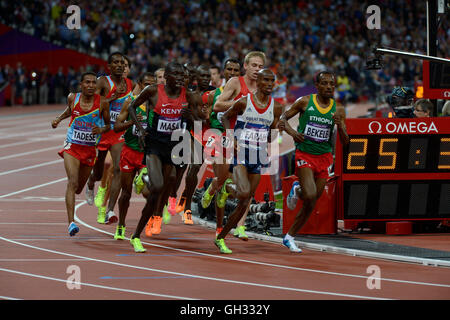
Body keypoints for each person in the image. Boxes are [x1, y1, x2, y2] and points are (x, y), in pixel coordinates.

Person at [127, 61, 202, 253]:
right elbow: (132, 107)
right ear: (166, 76)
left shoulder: (190, 96)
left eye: (181, 75)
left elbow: (200, 122)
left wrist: (190, 116)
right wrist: (142, 130)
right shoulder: (153, 91)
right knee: (158, 187)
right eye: (175, 75)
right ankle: (135, 236)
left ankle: (148, 186)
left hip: (174, 146)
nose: (179, 78)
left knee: (167, 183)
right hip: (154, 145)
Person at [214, 68, 282, 253]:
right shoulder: (245, 102)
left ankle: (221, 238)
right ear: (258, 82)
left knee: (245, 202)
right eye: (265, 80)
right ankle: (226, 188)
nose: (269, 84)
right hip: (241, 154)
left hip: (258, 156)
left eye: (272, 81)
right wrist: (232, 138)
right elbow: (224, 117)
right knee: (244, 193)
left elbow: (272, 133)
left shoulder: (276, 107)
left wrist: (275, 133)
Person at [279, 71, 349, 253]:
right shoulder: (304, 101)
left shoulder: (338, 109)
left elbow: (345, 141)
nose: (328, 87)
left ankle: (289, 237)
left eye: (331, 84)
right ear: (316, 85)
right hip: (305, 154)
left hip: (324, 157)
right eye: (324, 83)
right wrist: (293, 133)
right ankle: (299, 189)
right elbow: (282, 118)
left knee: (313, 200)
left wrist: (340, 125)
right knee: (310, 195)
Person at [210, 51, 266, 240]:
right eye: (254, 66)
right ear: (246, 66)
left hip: (253, 141)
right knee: (225, 178)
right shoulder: (235, 82)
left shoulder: (263, 85)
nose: (257, 70)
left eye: (260, 66)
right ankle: (214, 190)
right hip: (232, 136)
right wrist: (240, 104)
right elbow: (217, 105)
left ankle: (240, 226)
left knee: (250, 187)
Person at [51, 72, 110, 236]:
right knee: (72, 182)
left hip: (89, 149)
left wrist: (101, 129)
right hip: (72, 147)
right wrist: (58, 119)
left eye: (93, 83)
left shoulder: (102, 103)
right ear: (81, 85)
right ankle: (71, 223)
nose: (91, 85)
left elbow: (109, 125)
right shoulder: (73, 98)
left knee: (78, 189)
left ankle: (87, 185)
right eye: (87, 82)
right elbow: (69, 111)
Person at [85, 52, 133, 224]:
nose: (119, 65)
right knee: (98, 173)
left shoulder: (130, 83)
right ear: (109, 66)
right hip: (103, 130)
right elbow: (91, 102)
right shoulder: (103, 82)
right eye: (116, 63)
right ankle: (91, 182)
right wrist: (110, 98)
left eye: (122, 63)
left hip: (118, 132)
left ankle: (110, 210)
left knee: (118, 169)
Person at [200, 58, 241, 236]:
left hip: (237, 140)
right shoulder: (213, 94)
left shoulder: (243, 95)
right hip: (218, 138)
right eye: (229, 69)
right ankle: (218, 229)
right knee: (223, 180)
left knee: (230, 188)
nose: (232, 73)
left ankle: (213, 187)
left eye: (236, 70)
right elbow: (206, 116)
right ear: (224, 71)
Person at [112, 72, 154, 240]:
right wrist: (133, 122)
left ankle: (148, 222)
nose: (149, 88)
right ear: (139, 84)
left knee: (148, 192)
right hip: (129, 151)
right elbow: (116, 127)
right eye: (146, 85)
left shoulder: (157, 105)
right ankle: (121, 225)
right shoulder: (130, 102)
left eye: (153, 85)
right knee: (126, 193)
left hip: (146, 155)